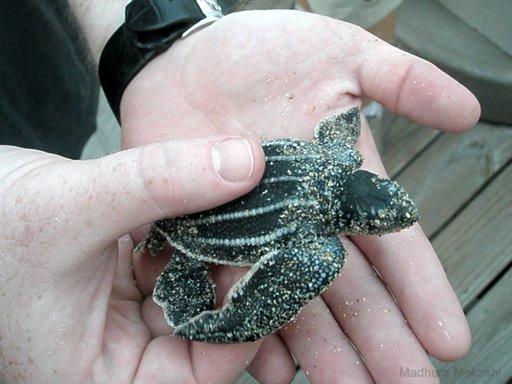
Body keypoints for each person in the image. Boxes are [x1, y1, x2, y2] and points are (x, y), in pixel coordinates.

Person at [0, 2, 481, 384]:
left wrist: (154, 45)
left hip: (43, 87)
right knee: (281, 273)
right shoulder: (320, 244)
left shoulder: (336, 158)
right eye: (380, 219)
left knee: (55, 129)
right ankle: (194, 300)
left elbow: (339, 130)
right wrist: (227, 324)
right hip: (192, 229)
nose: (389, 221)